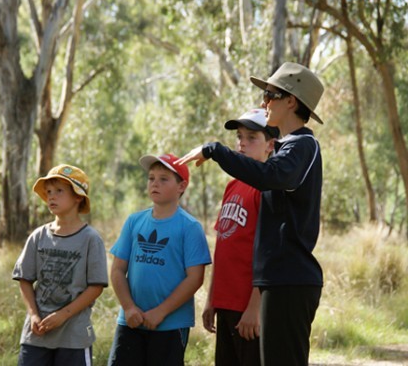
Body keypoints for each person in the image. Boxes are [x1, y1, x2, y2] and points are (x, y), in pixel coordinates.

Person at [176, 62, 325, 366]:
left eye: (269, 95)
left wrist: (216, 150)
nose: (263, 102)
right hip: (278, 280)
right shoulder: (287, 148)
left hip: (291, 280)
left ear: (290, 101)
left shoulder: (303, 145)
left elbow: (270, 175)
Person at [107, 153, 211, 366]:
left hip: (170, 325)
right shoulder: (134, 221)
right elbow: (117, 270)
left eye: (164, 179)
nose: (155, 183)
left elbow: (195, 278)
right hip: (131, 323)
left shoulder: (190, 227)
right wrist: (128, 308)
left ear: (181, 186)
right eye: (151, 178)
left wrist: (160, 312)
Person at [202, 109, 279, 366]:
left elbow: (270, 251)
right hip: (225, 302)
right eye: (239, 136)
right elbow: (223, 245)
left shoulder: (267, 188)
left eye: (251, 137)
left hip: (248, 306)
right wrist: (212, 299)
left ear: (270, 145)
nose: (242, 142)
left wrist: (255, 307)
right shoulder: (232, 185)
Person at [12, 164, 108, 366]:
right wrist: (33, 315)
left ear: (78, 197)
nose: (51, 197)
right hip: (37, 332)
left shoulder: (91, 239)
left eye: (59, 191)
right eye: (48, 192)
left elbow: (96, 287)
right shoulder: (38, 236)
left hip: (73, 334)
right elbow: (25, 279)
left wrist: (63, 315)